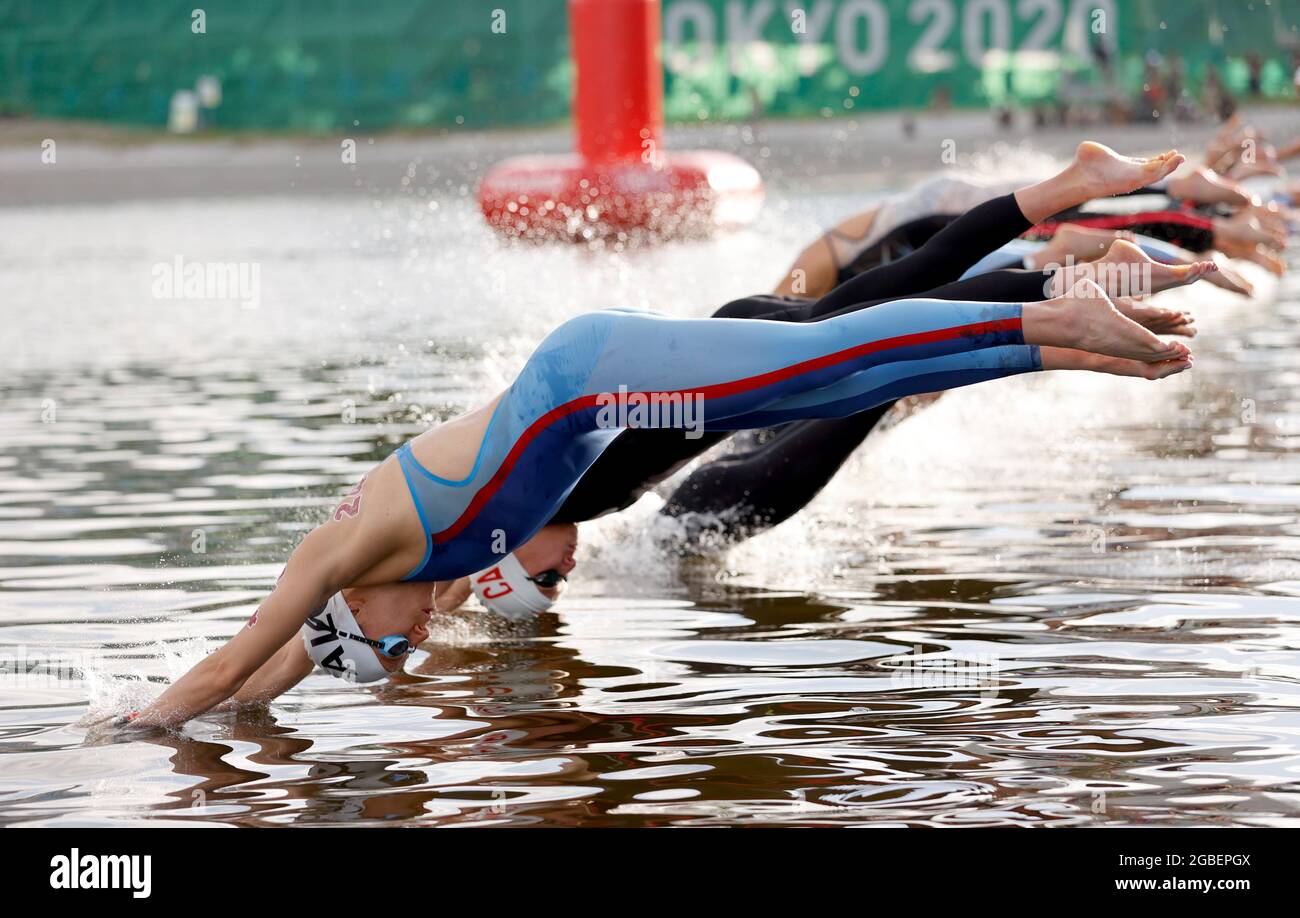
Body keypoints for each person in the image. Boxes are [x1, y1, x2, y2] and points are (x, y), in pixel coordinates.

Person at [96, 143, 1196, 734]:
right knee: (851, 376)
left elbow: (234, 660)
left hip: (592, 375)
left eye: (390, 646)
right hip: (611, 405)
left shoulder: (348, 553)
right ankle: (1071, 322)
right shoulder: (414, 584)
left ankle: (1050, 301)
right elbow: (264, 681)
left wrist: (131, 729)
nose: (415, 643)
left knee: (835, 353)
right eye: (399, 658)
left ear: (349, 608)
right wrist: (240, 719)